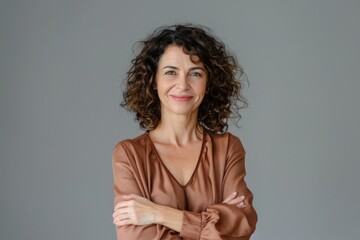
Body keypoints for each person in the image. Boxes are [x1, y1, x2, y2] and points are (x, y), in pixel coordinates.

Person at [112, 24, 257, 240]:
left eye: (195, 73)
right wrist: (215, 223)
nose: (183, 84)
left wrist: (157, 213)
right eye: (171, 72)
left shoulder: (227, 148)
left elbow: (241, 225)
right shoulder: (129, 155)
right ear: (154, 81)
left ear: (208, 83)